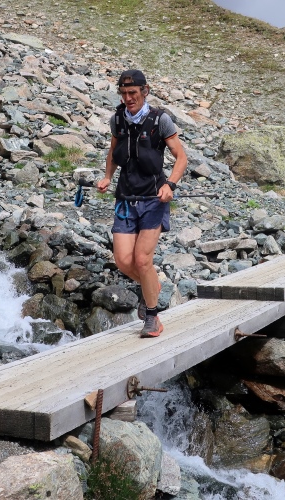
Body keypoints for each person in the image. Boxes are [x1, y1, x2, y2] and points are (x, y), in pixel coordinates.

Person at [96, 69, 187, 338]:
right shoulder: (118, 119)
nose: (128, 98)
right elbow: (113, 151)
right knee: (123, 261)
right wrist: (107, 176)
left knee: (142, 259)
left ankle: (152, 317)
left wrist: (170, 185)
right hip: (125, 199)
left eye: (133, 93)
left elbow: (181, 157)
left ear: (144, 91)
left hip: (153, 200)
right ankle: (152, 286)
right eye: (124, 93)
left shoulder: (160, 120)